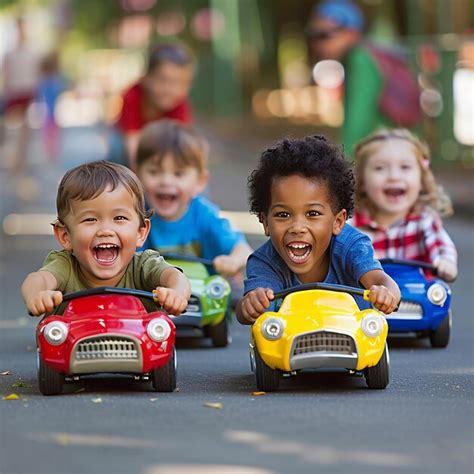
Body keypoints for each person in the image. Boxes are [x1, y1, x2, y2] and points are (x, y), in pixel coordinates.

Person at [236, 134, 400, 325]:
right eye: (283, 215)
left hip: (351, 338)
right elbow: (243, 310)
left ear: (338, 221)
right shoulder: (265, 262)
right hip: (291, 346)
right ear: (265, 222)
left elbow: (380, 280)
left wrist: (386, 294)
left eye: (312, 214)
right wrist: (251, 304)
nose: (297, 228)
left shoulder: (351, 246)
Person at [21, 161, 191, 316]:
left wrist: (175, 293)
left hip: (137, 347)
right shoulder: (66, 266)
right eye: (90, 220)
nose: (105, 231)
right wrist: (37, 295)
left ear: (140, 232)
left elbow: (174, 276)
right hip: (74, 346)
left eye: (119, 218)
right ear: (66, 236)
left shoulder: (143, 265)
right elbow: (38, 279)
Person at [136, 119, 252, 279]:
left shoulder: (204, 215)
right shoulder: (136, 217)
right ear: (138, 175)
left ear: (200, 182)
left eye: (178, 174)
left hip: (202, 297)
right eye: (154, 172)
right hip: (152, 296)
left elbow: (244, 250)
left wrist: (232, 261)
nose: (166, 181)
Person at [306, 0, 411, 157]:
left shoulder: (360, 60)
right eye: (314, 35)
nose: (319, 44)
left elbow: (357, 119)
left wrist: (344, 162)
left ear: (351, 33)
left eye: (325, 35)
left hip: (385, 149)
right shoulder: (358, 58)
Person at [351, 128, 458, 282]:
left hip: (417, 299)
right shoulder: (353, 226)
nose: (394, 176)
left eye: (405, 167)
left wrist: (445, 263)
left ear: (421, 180)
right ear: (362, 182)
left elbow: (441, 246)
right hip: (367, 299)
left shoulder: (424, 221)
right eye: (380, 168)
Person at [116, 42, 195, 170]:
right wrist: (140, 176)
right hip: (129, 145)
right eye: (162, 80)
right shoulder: (133, 95)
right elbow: (132, 141)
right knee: (116, 147)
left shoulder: (180, 103)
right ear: (146, 78)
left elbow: (181, 142)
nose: (169, 89)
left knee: (191, 160)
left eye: (178, 83)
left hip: (161, 147)